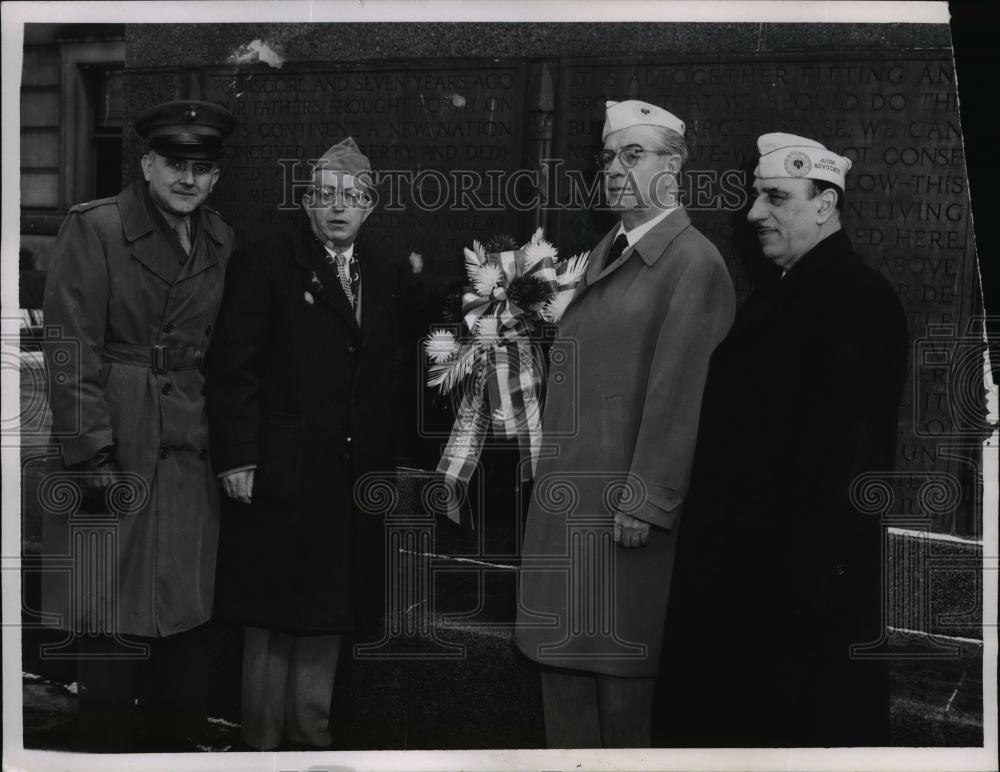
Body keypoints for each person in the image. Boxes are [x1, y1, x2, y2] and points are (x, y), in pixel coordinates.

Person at [656, 133, 909, 747]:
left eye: (776, 198)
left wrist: (801, 594)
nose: (754, 213)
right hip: (754, 585)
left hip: (792, 601)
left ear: (826, 204)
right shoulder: (792, 290)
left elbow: (843, 468)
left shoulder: (857, 299)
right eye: (756, 197)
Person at [513, 99, 736, 747]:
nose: (614, 169)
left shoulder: (693, 264)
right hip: (574, 514)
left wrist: (647, 500)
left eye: (633, 156)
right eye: (609, 157)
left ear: (675, 164)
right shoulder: (611, 250)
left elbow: (681, 391)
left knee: (620, 702)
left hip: (624, 524)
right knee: (566, 688)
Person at [41, 99, 237, 749]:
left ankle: (172, 749)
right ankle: (107, 750)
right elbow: (71, 348)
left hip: (187, 438)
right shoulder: (95, 229)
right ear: (147, 163)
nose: (188, 179)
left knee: (181, 610)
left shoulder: (219, 237)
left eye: (202, 167)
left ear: (215, 176)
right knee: (110, 614)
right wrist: (91, 452)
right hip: (118, 435)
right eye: (175, 163)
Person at [206, 137, 404, 750]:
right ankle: (261, 748)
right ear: (308, 203)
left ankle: (310, 739)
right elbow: (233, 367)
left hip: (349, 476)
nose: (338, 208)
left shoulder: (389, 269)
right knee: (272, 615)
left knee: (328, 610)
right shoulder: (267, 261)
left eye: (352, 198)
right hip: (280, 471)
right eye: (325, 196)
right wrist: (238, 455)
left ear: (370, 207)